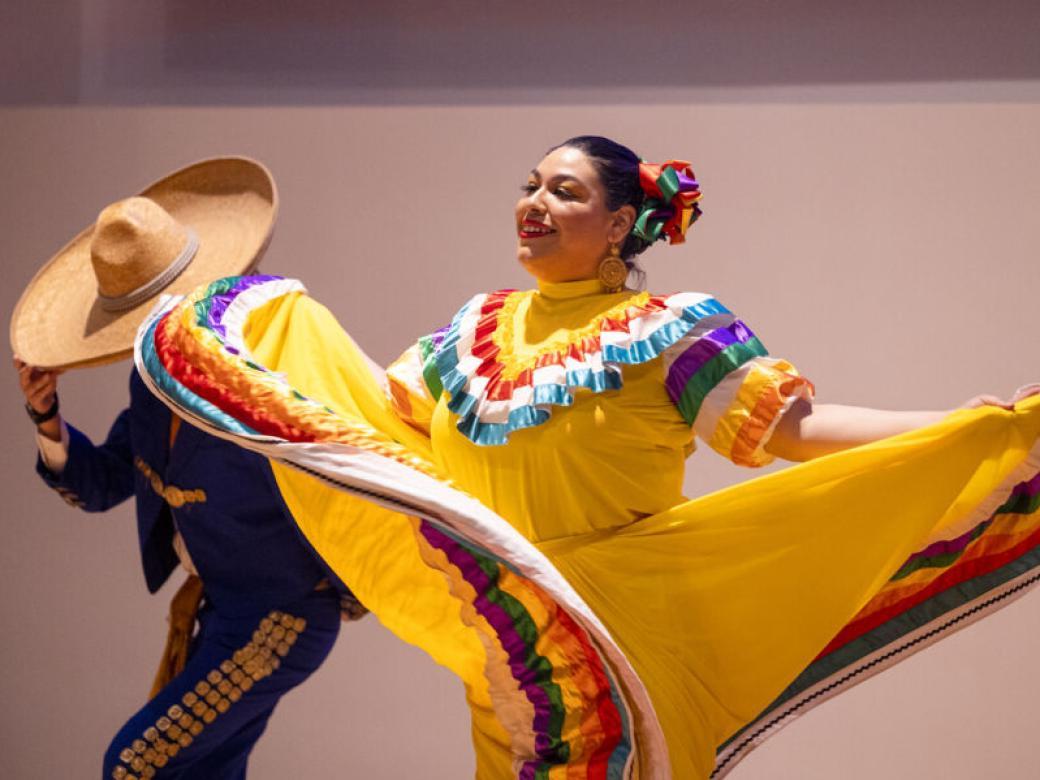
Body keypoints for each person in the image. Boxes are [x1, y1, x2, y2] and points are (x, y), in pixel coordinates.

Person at [135, 137, 1040, 779]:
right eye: (530, 185)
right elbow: (383, 412)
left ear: (618, 225)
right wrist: (270, 328)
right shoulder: (474, 329)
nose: (534, 204)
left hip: (623, 622)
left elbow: (794, 431)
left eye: (564, 191)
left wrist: (951, 425)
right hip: (505, 627)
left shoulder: (667, 329)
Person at [12, 158, 359, 780]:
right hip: (221, 611)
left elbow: (347, 467)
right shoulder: (152, 386)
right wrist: (48, 419)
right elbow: (103, 485)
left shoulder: (269, 373)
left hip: (281, 619)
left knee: (134, 764)